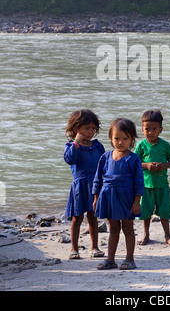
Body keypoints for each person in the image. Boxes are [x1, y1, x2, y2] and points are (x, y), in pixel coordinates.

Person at [92, 118, 144, 270]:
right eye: (117, 138)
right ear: (110, 138)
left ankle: (129, 259)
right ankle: (110, 260)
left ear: (132, 139)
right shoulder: (105, 157)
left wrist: (137, 201)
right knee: (113, 229)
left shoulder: (133, 159)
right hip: (108, 197)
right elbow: (97, 180)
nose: (120, 142)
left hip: (126, 198)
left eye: (125, 139)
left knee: (128, 228)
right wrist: (96, 198)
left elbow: (139, 182)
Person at [64, 109, 105, 260]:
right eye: (87, 128)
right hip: (80, 187)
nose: (91, 132)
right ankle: (74, 249)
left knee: (93, 217)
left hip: (95, 186)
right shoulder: (71, 146)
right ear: (76, 129)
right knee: (77, 218)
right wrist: (76, 142)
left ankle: (95, 247)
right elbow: (70, 159)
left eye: (93, 128)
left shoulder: (97, 146)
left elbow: (104, 164)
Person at [135, 109, 170, 246]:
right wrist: (147, 165)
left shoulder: (165, 145)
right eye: (147, 129)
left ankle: (167, 236)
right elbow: (135, 163)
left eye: (154, 129)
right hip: (146, 186)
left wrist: (164, 166)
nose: (150, 132)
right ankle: (146, 235)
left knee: (164, 212)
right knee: (146, 213)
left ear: (160, 129)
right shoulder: (141, 145)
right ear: (142, 129)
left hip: (162, 185)